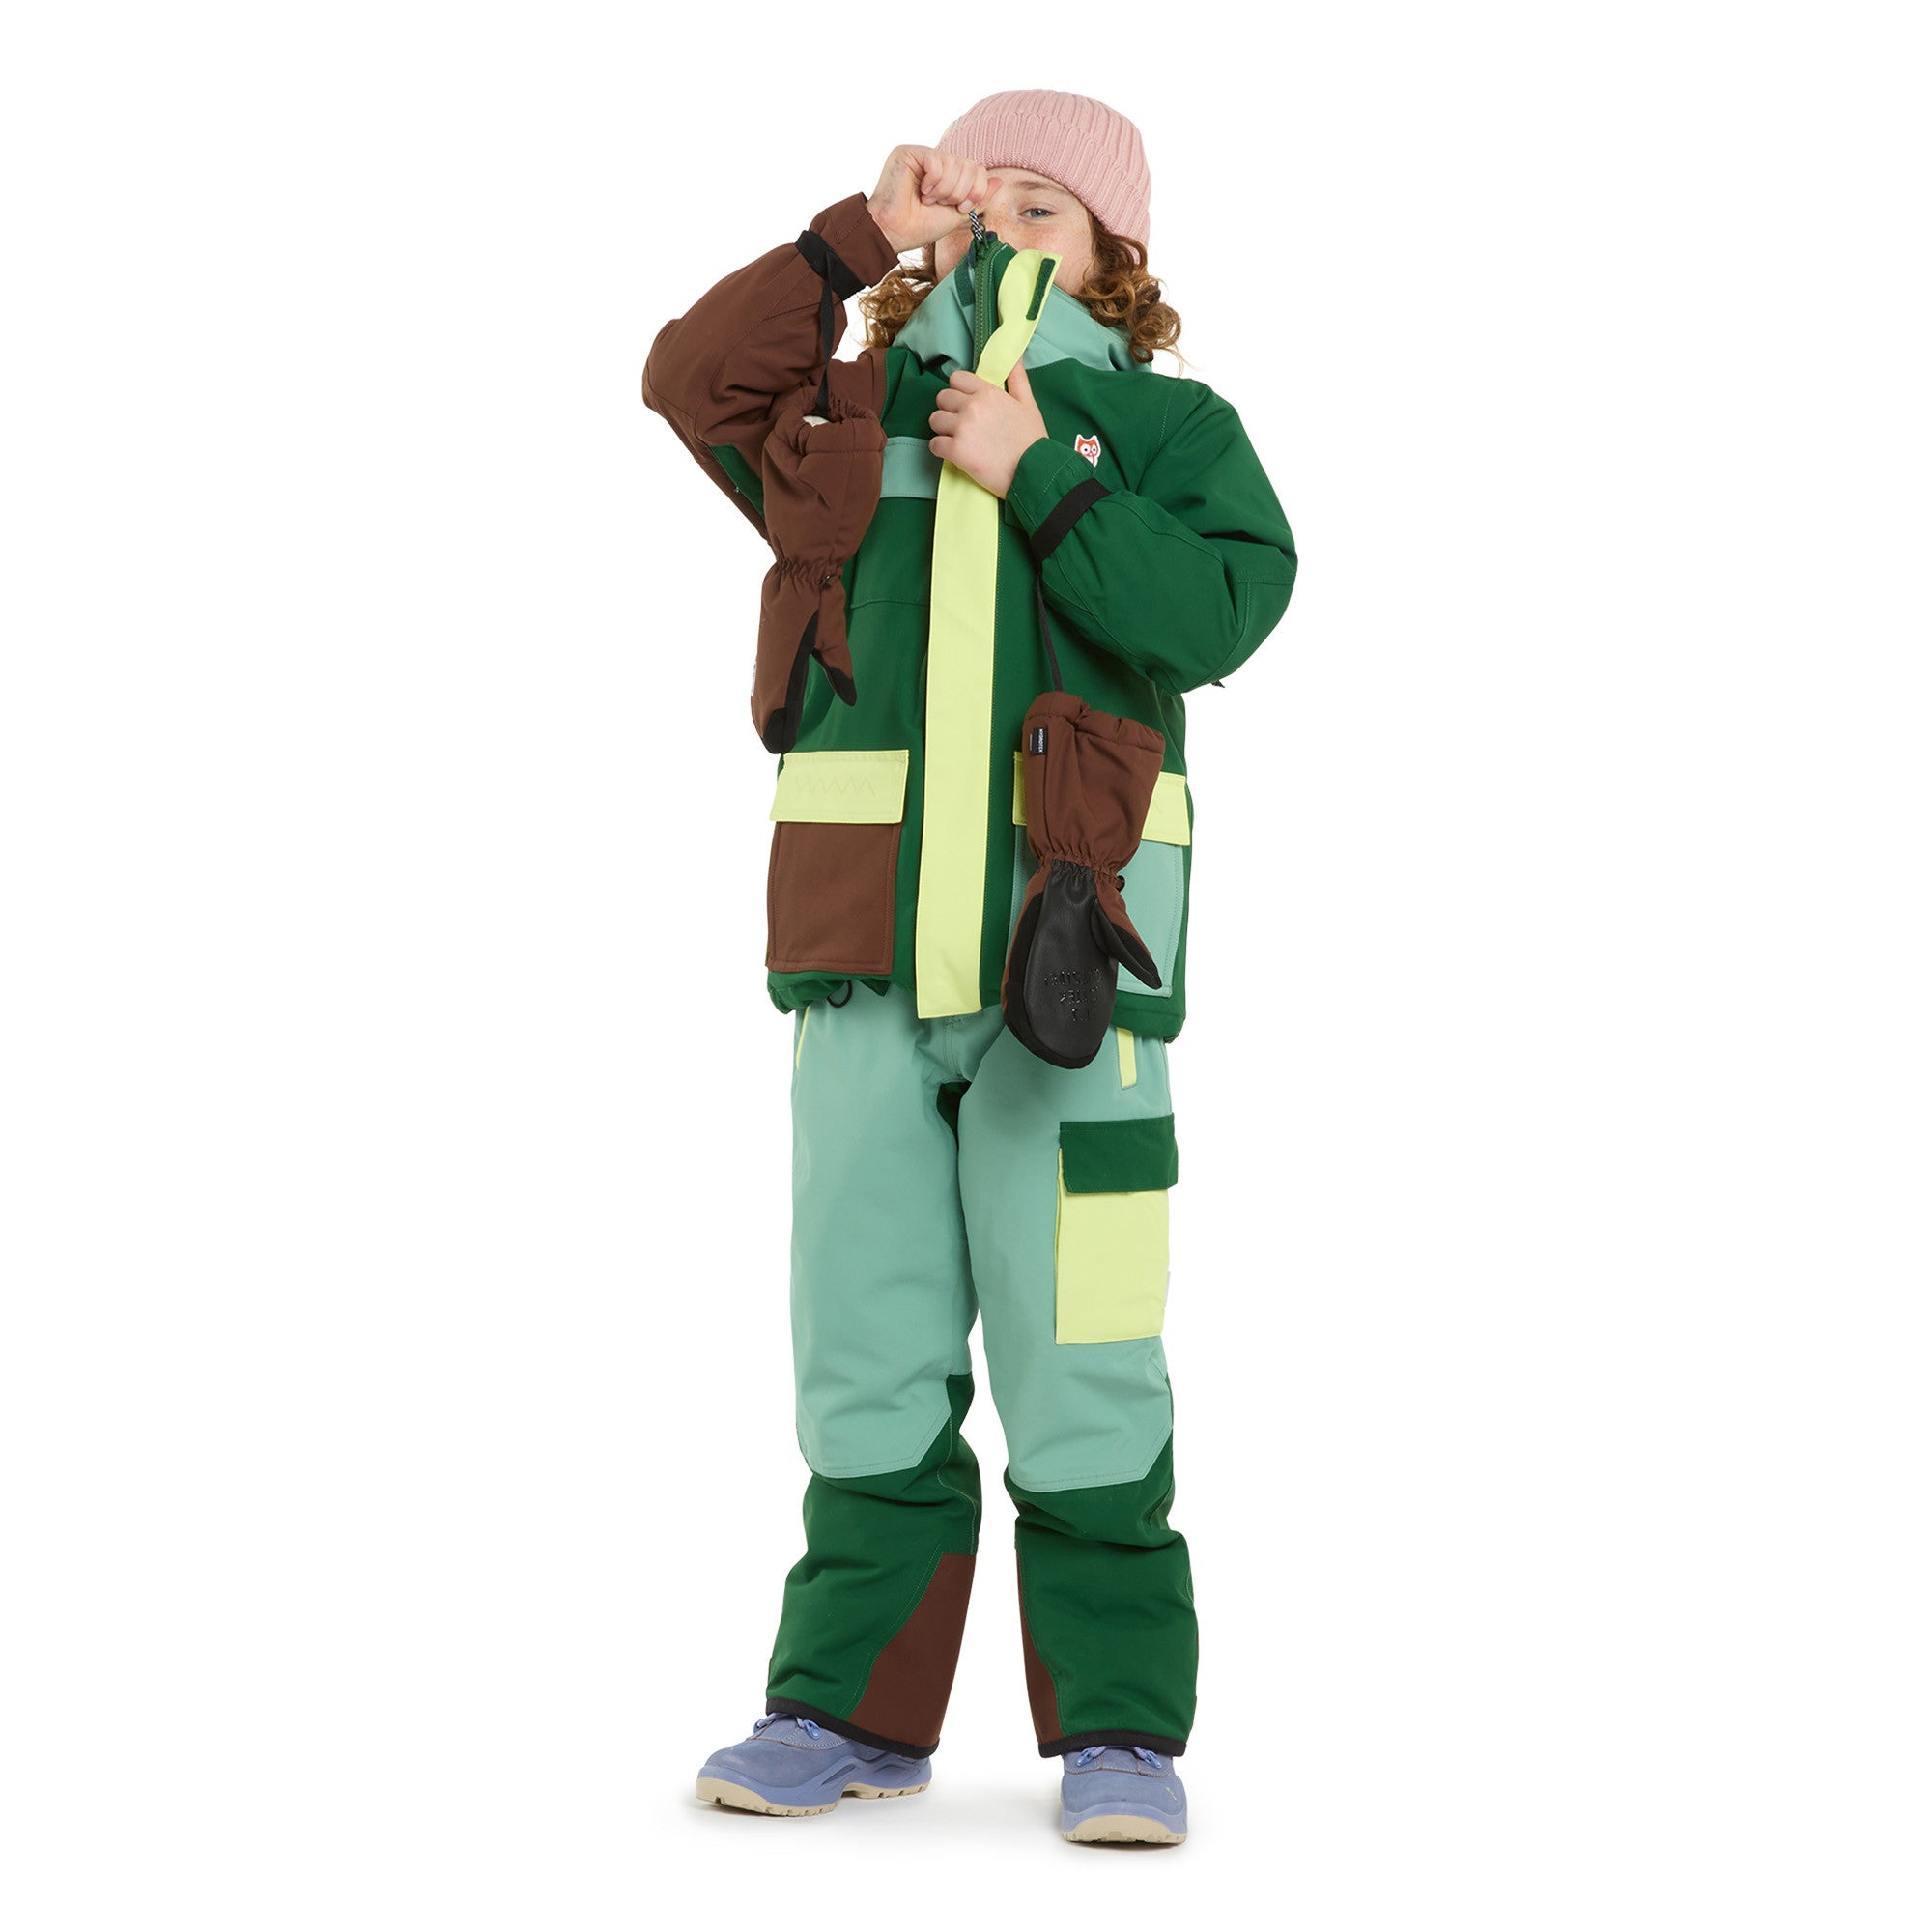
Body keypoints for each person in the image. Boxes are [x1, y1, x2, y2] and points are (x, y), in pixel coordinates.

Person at [640, 90, 1297, 1846]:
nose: (1000, 226)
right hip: (861, 973)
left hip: (1071, 978)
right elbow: (689, 380)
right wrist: (856, 235)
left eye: (1043, 209)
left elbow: (1221, 611)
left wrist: (1043, 472)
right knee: (864, 1352)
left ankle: (1120, 1732)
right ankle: (847, 1711)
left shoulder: (1162, 425)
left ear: (1116, 260)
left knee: (1089, 1362)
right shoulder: (847, 414)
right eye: (973, 198)